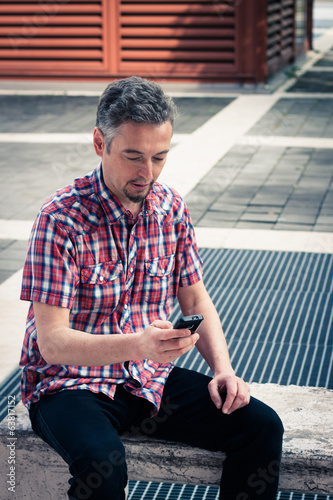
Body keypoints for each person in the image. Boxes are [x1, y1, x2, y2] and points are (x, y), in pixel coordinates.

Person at [20, 76, 283, 500]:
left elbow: (195, 297)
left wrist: (222, 370)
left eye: (160, 157)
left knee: (261, 427)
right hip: (68, 386)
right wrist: (140, 345)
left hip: (146, 381)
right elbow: (53, 344)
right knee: (102, 466)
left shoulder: (171, 208)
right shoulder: (59, 219)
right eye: (133, 156)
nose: (148, 173)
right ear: (98, 143)